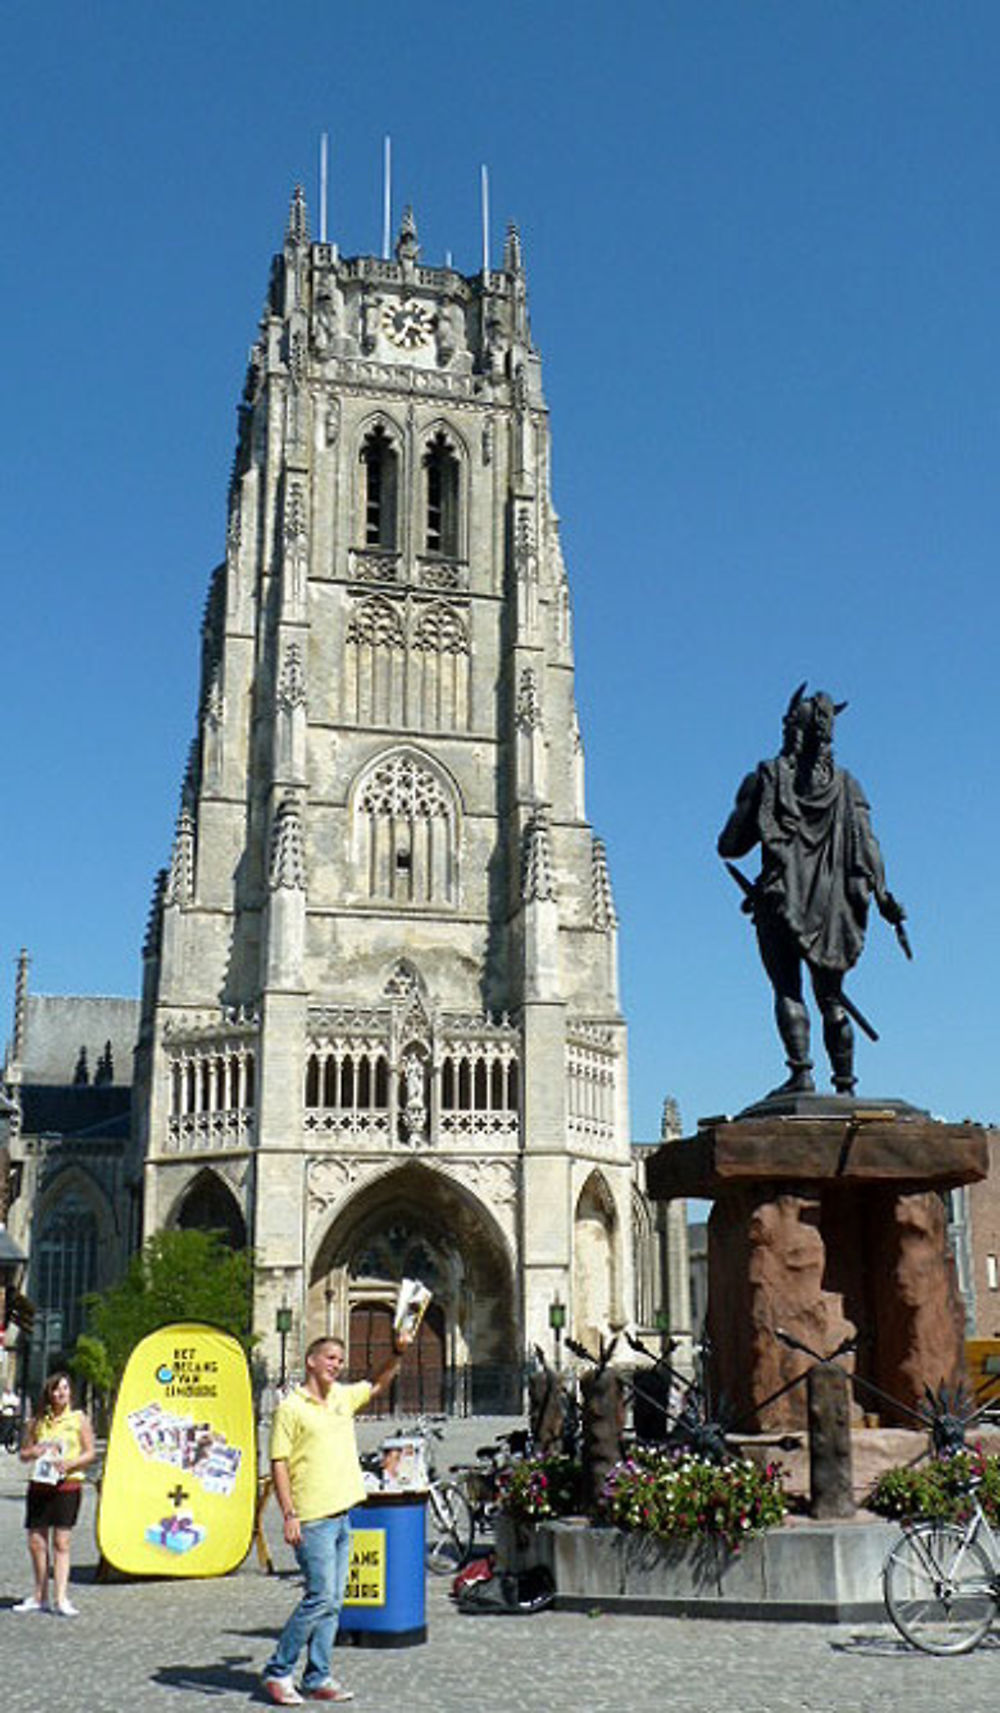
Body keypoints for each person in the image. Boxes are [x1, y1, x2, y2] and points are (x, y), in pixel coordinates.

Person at [718, 685, 907, 1094]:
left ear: (791, 730)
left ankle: (801, 1072)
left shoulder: (767, 778)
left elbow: (730, 845)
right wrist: (885, 894)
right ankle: (845, 1083)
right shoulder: (847, 785)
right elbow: (869, 844)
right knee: (832, 999)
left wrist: (749, 810)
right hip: (832, 907)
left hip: (780, 900)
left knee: (788, 988)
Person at [262, 1330, 412, 1706]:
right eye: (330, 1357)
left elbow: (378, 1382)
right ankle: (278, 1670)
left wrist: (396, 1351)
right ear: (311, 1360)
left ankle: (317, 1675)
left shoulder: (343, 1398)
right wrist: (289, 1514)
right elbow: (278, 1463)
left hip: (343, 1513)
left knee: (334, 1600)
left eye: (341, 1359)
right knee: (319, 1597)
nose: (337, 1364)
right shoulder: (290, 1408)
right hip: (311, 1517)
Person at [16, 1371, 95, 1616]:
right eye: (56, 1389)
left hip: (67, 1485)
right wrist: (36, 1450)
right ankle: (40, 1595)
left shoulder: (78, 1418)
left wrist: (70, 1464)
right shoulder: (38, 1420)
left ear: (71, 1393)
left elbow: (90, 1452)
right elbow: (23, 1453)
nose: (61, 1393)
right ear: (49, 1393)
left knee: (62, 1541)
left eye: (65, 1389)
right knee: (36, 1542)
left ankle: (61, 1597)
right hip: (40, 1485)